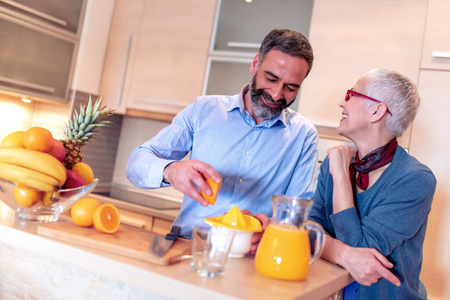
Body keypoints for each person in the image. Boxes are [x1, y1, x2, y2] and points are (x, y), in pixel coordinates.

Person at [126, 29, 319, 249]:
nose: (276, 94)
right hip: (187, 245)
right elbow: (135, 164)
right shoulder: (202, 111)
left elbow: (297, 216)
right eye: (271, 78)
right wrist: (170, 170)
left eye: (291, 87)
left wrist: (269, 227)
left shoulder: (304, 136)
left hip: (251, 256)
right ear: (255, 63)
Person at [309, 69, 436, 299]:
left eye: (351, 94)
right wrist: (338, 251)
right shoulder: (334, 161)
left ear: (376, 110)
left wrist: (340, 177)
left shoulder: (415, 179)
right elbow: (306, 229)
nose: (342, 102)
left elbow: (360, 249)